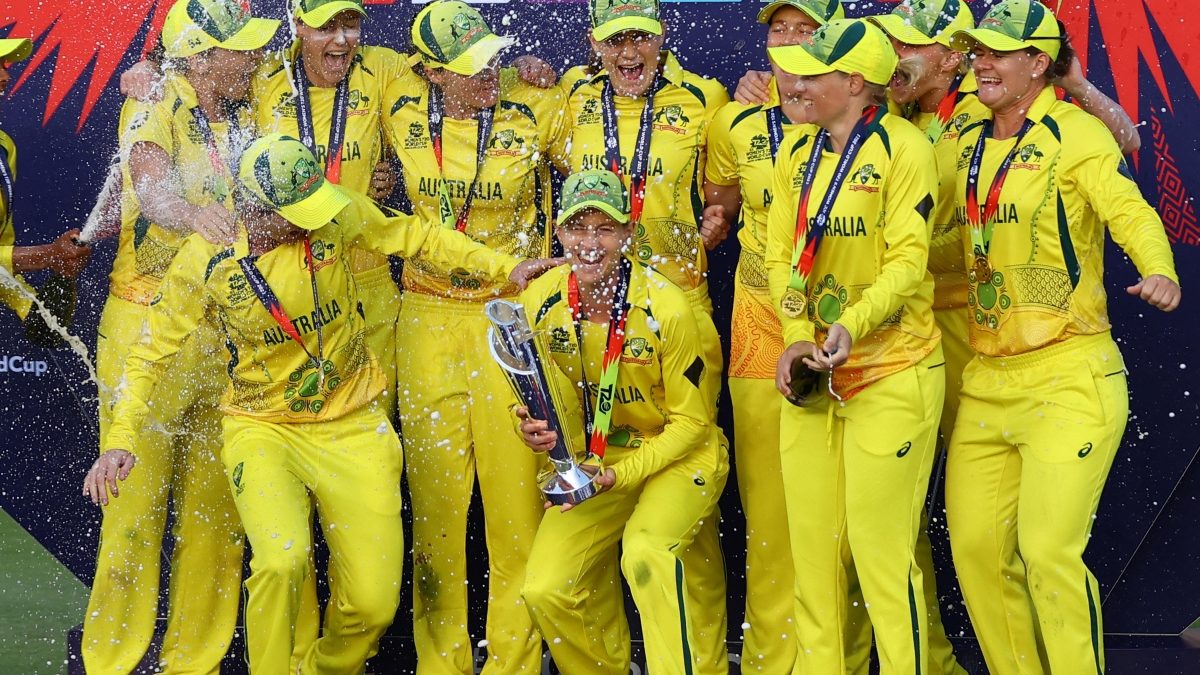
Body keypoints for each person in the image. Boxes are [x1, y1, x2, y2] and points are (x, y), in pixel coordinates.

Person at [86, 133, 556, 672]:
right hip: (262, 429)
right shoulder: (206, 259)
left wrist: (503, 267)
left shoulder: (332, 214)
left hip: (352, 424)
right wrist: (119, 442)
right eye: (297, 213)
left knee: (375, 605)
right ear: (255, 209)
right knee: (283, 563)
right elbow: (148, 357)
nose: (313, 220)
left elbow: (416, 236)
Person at [942, 1, 1180, 672]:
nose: (980, 62)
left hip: (1069, 373)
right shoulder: (963, 141)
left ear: (1037, 64)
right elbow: (928, 234)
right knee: (979, 556)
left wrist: (1158, 268)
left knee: (1048, 552)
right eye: (976, 52)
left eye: (995, 53)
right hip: (987, 383)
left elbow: (1128, 209)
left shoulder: (1075, 134)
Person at [81, 2, 278, 671]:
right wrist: (195, 212)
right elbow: (152, 188)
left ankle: (194, 660)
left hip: (226, 333)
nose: (253, 57)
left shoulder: (251, 105)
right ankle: (110, 660)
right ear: (198, 59)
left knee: (217, 518)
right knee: (132, 512)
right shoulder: (156, 100)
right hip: (146, 325)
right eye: (240, 49)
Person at [379, 2, 570, 672]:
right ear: (429, 71)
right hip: (426, 315)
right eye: (468, 66)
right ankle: (443, 664)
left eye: (492, 54)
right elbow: (307, 72)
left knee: (517, 514)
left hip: (509, 319)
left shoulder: (541, 103)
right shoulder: (391, 90)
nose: (487, 71)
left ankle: (514, 664)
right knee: (435, 520)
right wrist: (153, 78)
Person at [766, 19, 945, 674]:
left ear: (853, 83)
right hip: (814, 377)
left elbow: (907, 262)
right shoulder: (793, 153)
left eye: (811, 73)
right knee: (813, 562)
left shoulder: (904, 150)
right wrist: (792, 341)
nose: (795, 81)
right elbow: (781, 263)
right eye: (793, 70)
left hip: (893, 370)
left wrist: (853, 324)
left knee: (881, 559)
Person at [558, 1, 731, 667]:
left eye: (641, 38)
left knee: (690, 485)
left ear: (664, 38)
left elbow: (726, 190)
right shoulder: (568, 96)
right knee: (602, 460)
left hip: (678, 307)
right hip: (596, 309)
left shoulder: (705, 99)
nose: (628, 53)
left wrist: (715, 221)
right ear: (593, 43)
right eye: (614, 40)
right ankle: (615, 653)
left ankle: (702, 656)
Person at [518, 169, 729, 674]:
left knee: (646, 554)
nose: (590, 244)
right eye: (577, 228)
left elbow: (692, 424)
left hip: (678, 455)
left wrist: (622, 474)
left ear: (628, 233)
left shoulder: (668, 307)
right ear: (559, 234)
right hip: (599, 462)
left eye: (605, 229)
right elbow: (529, 394)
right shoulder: (540, 301)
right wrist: (526, 425)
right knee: (545, 588)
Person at [0, 37, 91, 317]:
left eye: (5, 65)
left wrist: (30, 308)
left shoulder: (4, 147)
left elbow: (3, 244)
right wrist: (48, 255)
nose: (6, 75)